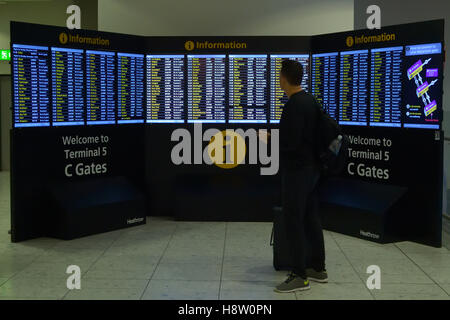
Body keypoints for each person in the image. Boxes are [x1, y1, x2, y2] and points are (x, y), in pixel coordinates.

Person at [263, 59, 327, 293]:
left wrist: (271, 139)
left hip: (297, 172)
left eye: (279, 75)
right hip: (312, 171)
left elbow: (291, 144)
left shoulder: (292, 106)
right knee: (311, 217)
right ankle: (318, 268)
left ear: (284, 78)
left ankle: (300, 275)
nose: (278, 79)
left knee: (293, 220)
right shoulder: (310, 101)